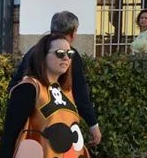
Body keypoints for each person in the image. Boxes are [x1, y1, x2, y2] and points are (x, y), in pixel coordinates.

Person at [9, 11, 101, 146]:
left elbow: (14, 84)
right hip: (54, 124)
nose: (64, 58)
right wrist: (93, 125)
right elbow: (80, 93)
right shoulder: (70, 56)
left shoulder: (33, 51)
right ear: (73, 32)